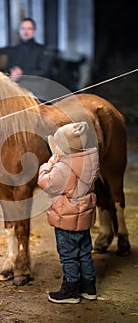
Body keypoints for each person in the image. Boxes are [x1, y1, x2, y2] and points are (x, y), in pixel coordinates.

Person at [38, 122, 99, 304]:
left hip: (67, 220)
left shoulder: (63, 168)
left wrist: (49, 163)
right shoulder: (90, 161)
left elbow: (44, 182)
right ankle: (89, 288)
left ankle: (71, 290)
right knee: (85, 253)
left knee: (68, 256)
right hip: (83, 218)